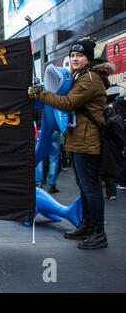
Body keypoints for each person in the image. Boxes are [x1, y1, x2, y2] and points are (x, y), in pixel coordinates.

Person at [31, 39, 115, 249]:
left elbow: (68, 102)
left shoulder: (90, 78)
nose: (75, 59)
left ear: (88, 58)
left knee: (90, 187)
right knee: (84, 187)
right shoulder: (80, 76)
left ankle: (98, 232)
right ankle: (86, 225)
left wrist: (41, 93)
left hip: (89, 142)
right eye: (73, 55)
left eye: (80, 55)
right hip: (78, 141)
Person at [36, 128, 62, 193]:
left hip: (40, 131)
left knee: (40, 159)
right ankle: (51, 185)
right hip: (55, 131)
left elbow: (33, 119)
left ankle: (38, 183)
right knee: (54, 159)